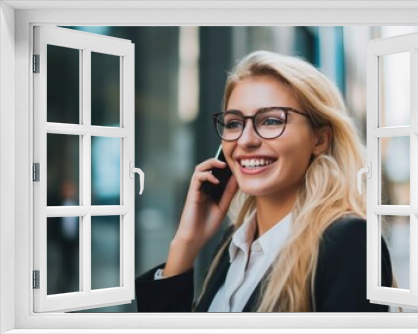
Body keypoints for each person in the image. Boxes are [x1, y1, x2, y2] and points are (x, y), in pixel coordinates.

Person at [135, 50, 393, 312]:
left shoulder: (349, 242)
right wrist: (186, 244)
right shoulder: (233, 243)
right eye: (234, 123)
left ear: (320, 139)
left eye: (270, 121)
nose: (246, 140)